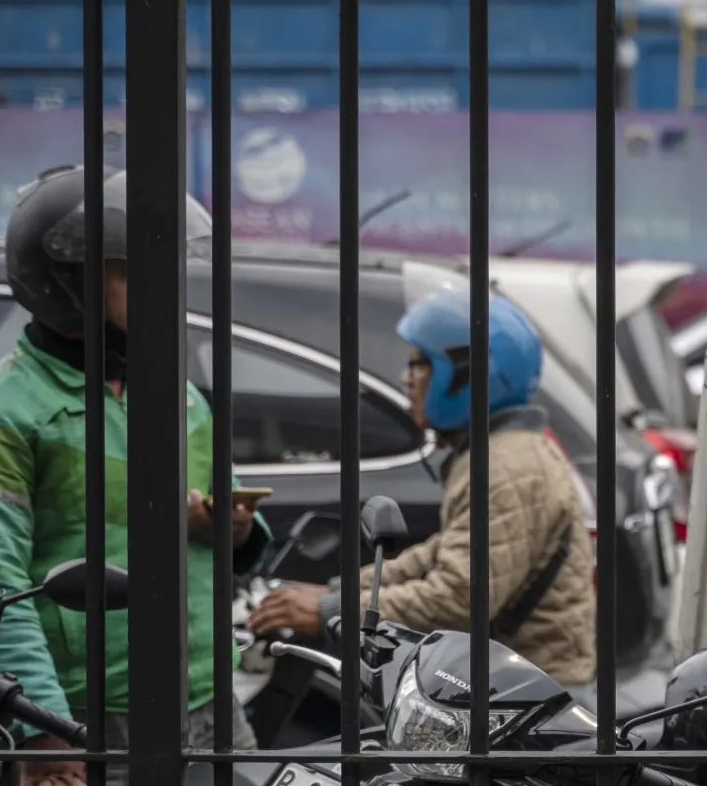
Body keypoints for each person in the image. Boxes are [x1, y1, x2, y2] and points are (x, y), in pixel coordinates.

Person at [0, 166, 267, 786]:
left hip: (208, 699)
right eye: (131, 268)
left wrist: (231, 527)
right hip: (85, 723)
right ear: (67, 280)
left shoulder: (174, 392)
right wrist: (43, 732)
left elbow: (221, 510)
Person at [249, 289, 597, 700]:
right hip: (514, 684)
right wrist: (339, 592)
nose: (405, 377)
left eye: (419, 363)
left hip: (530, 698)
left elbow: (460, 598)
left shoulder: (506, 468)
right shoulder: (497, 453)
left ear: (467, 372)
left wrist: (331, 612)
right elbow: (442, 554)